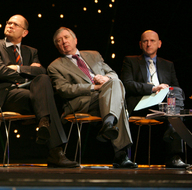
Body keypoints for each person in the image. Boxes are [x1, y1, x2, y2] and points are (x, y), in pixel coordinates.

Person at [0, 15, 79, 168]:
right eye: (9, 23)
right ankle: (55, 151)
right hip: (6, 95)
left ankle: (44, 122)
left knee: (44, 80)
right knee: (45, 97)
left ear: (24, 33)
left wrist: (18, 68)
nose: (10, 26)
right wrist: (28, 71)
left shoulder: (31, 51)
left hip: (30, 93)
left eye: (15, 24)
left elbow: (41, 72)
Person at [47, 27, 137, 168]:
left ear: (75, 40)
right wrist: (94, 87)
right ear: (57, 47)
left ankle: (108, 123)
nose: (64, 42)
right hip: (82, 101)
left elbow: (113, 74)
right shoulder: (55, 66)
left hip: (105, 96)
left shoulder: (94, 55)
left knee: (115, 83)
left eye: (66, 37)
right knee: (117, 100)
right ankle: (120, 153)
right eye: (59, 41)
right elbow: (64, 89)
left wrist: (105, 78)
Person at [121, 30, 189, 168]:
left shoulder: (168, 64)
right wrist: (153, 89)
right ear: (140, 44)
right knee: (175, 112)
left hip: (163, 104)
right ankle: (174, 155)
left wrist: (166, 91)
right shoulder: (130, 61)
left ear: (159, 44)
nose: (148, 44)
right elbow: (126, 84)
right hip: (141, 104)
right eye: (145, 41)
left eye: (152, 41)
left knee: (177, 94)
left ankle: (174, 153)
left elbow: (175, 88)